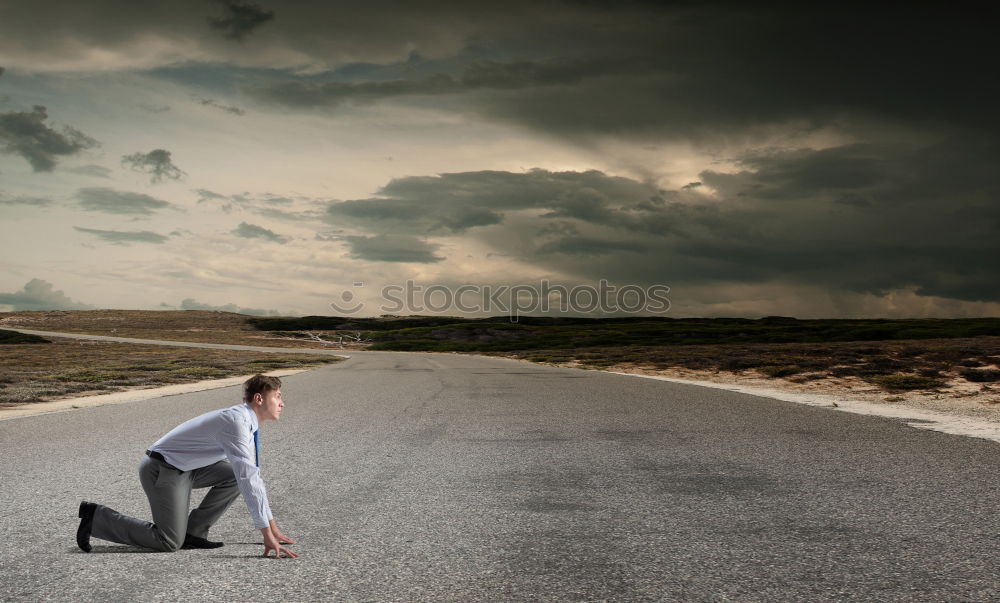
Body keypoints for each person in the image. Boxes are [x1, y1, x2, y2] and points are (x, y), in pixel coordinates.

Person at [75, 374, 299, 558]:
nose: (282, 403)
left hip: (188, 468)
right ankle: (96, 518)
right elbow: (249, 479)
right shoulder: (236, 423)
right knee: (169, 541)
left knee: (234, 476)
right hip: (162, 469)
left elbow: (252, 478)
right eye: (278, 397)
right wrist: (265, 534)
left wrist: (272, 528)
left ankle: (194, 532)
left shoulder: (248, 424)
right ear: (259, 399)